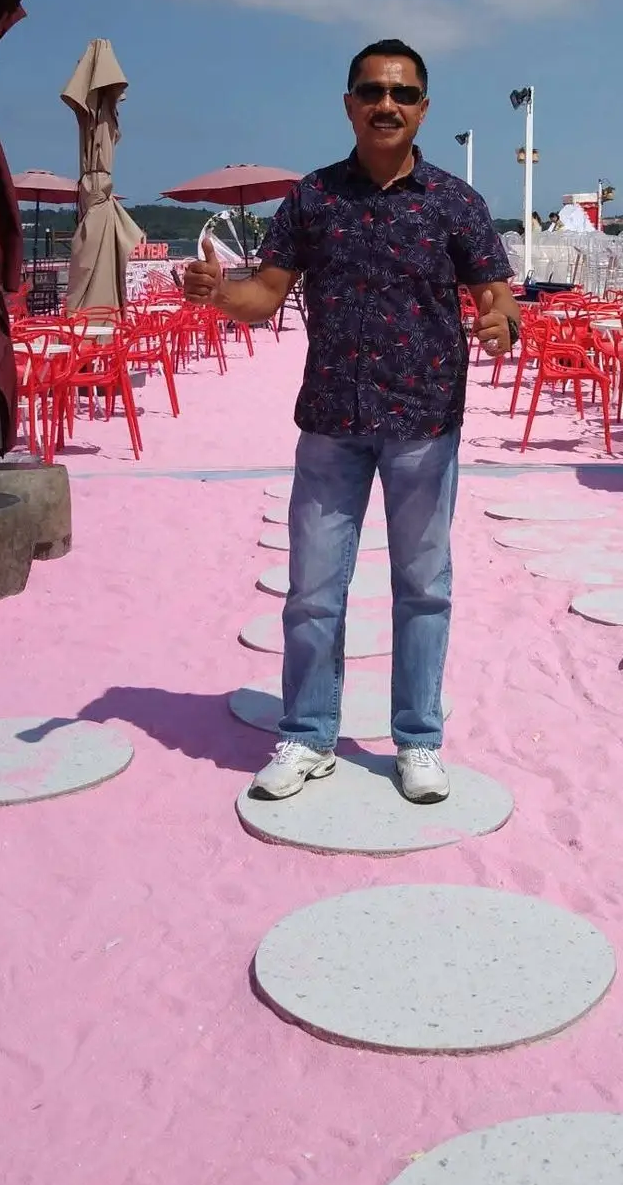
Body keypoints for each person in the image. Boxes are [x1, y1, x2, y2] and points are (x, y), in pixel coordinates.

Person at [184, 39, 521, 804]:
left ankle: (418, 740)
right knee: (312, 589)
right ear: (348, 104)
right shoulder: (312, 199)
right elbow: (263, 294)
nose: (386, 104)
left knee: (423, 587)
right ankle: (308, 735)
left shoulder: (454, 202)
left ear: (423, 108)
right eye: (372, 91)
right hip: (332, 419)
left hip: (424, 421)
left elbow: (495, 293)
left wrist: (502, 322)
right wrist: (218, 292)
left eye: (402, 93)